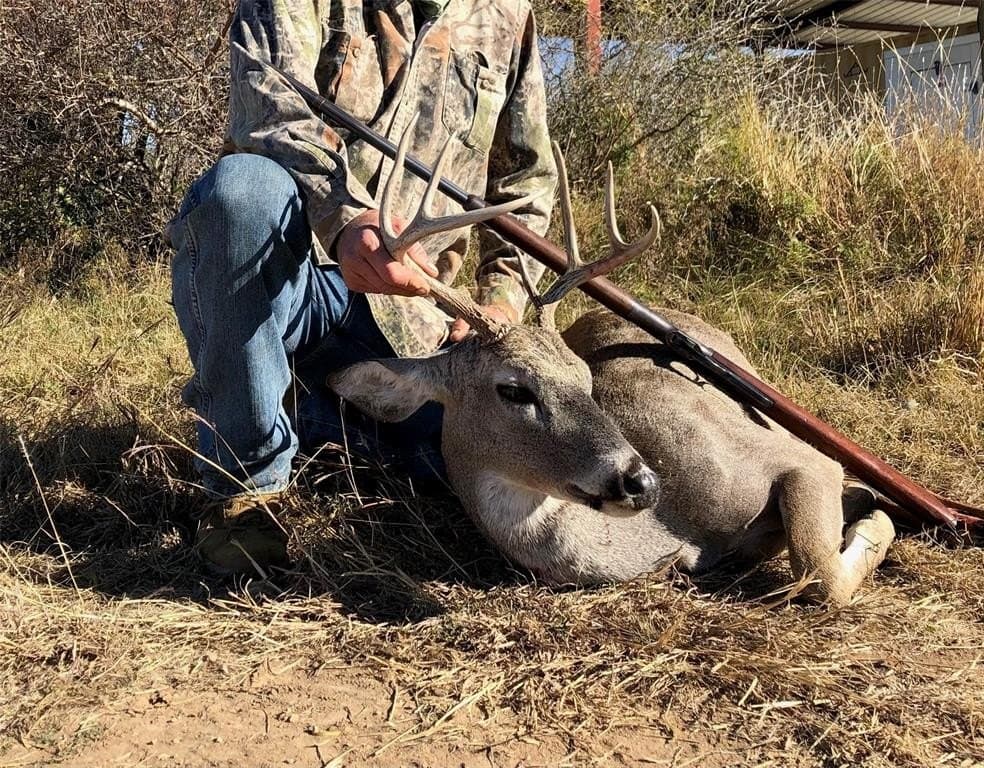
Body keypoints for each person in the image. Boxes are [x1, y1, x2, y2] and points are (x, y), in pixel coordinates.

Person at [167, 0, 557, 575]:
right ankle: (246, 491)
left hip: (422, 325)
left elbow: (526, 183)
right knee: (240, 191)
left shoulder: (506, 16)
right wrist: (346, 219)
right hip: (294, 282)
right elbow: (269, 115)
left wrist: (499, 300)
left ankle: (292, 413)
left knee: (450, 463)